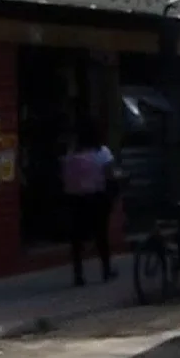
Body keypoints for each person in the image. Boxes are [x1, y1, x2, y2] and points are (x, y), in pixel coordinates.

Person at [61, 120, 117, 286]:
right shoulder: (102, 153)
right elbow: (110, 175)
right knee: (101, 235)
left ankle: (78, 274)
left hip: (76, 199)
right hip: (97, 198)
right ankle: (106, 270)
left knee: (76, 238)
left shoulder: (71, 154)